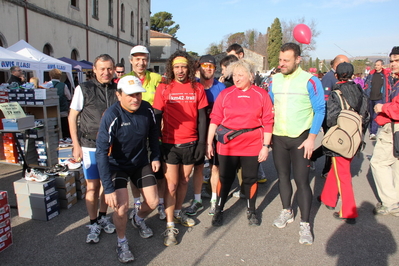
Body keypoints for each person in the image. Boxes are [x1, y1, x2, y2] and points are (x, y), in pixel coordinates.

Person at [96, 75, 160, 263]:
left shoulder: (147, 108)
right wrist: (107, 188)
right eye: (130, 95)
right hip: (117, 166)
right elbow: (101, 152)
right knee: (122, 208)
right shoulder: (111, 115)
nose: (135, 99)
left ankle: (138, 219)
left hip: (140, 163)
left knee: (154, 202)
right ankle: (122, 241)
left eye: (138, 94)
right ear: (119, 95)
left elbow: (154, 133)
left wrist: (155, 156)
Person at [268, 43, 325, 245]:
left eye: (286, 60)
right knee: (283, 176)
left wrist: (312, 138)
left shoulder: (311, 81)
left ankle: (305, 224)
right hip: (279, 137)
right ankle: (287, 211)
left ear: (298, 59)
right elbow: (270, 106)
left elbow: (320, 110)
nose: (281, 64)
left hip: (301, 138)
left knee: (302, 181)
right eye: (280, 60)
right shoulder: (274, 80)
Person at [207, 59, 273, 227]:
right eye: (234, 75)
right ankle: (219, 209)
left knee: (250, 179)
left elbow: (268, 121)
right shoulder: (226, 94)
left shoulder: (261, 94)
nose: (236, 79)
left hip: (252, 145)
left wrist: (265, 146)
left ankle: (251, 210)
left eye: (240, 75)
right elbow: (215, 120)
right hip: (228, 145)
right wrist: (209, 143)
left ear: (250, 76)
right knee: (225, 177)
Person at [152, 50, 208, 246]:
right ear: (171, 68)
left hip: (191, 143)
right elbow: (157, 116)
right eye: (176, 67)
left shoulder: (197, 87)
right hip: (170, 144)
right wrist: (155, 144)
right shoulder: (164, 87)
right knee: (172, 185)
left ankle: (177, 213)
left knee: (185, 181)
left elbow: (202, 117)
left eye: (184, 66)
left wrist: (202, 142)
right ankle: (169, 227)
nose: (180, 70)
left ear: (189, 68)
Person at [68, 54, 118, 244]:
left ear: (113, 69)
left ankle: (103, 216)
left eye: (109, 68)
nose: (106, 72)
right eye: (102, 69)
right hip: (89, 145)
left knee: (107, 185)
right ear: (94, 70)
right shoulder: (84, 88)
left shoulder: (118, 89)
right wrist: (76, 145)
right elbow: (72, 117)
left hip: (111, 147)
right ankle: (93, 222)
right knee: (92, 186)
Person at [318, 62, 369, 224]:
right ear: (353, 75)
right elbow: (366, 115)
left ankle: (349, 210)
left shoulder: (336, 93)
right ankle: (328, 197)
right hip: (356, 137)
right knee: (338, 170)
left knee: (343, 175)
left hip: (341, 138)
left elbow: (331, 118)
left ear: (336, 75)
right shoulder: (360, 91)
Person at [123, 45, 165, 221]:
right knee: (136, 170)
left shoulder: (156, 78)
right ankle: (138, 201)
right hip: (134, 130)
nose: (141, 62)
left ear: (148, 60)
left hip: (156, 129)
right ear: (131, 60)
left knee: (159, 170)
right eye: (137, 59)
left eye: (144, 59)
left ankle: (161, 202)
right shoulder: (125, 79)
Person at [185, 54, 226, 217]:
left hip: (217, 131)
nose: (207, 69)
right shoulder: (192, 86)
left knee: (216, 167)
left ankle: (214, 200)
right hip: (197, 130)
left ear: (215, 69)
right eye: (204, 65)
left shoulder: (221, 88)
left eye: (211, 66)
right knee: (198, 167)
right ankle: (197, 200)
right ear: (198, 67)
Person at [370, 46, 399, 217]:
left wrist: (383, 107)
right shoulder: (391, 78)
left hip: (392, 126)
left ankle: (390, 202)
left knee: (378, 163)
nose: (393, 64)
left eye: (397, 60)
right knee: (395, 162)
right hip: (391, 125)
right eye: (392, 61)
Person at [310, 54, 350, 178]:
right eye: (345, 64)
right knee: (331, 145)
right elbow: (324, 100)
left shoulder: (340, 77)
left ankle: (315, 158)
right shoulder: (329, 78)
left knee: (332, 144)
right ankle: (326, 169)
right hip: (330, 118)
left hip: (339, 117)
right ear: (338, 65)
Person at [364, 59, 393, 140]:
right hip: (370, 97)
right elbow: (366, 85)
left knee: (375, 116)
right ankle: (372, 130)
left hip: (380, 98)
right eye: (375, 65)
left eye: (378, 65)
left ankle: (373, 132)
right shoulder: (371, 74)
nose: (376, 66)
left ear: (382, 66)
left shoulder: (385, 76)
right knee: (370, 115)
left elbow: (390, 87)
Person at [49, 68, 71, 139]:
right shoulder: (63, 85)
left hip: (50, 111)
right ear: (60, 76)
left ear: (51, 76)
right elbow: (69, 97)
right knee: (64, 127)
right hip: (62, 110)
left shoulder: (46, 85)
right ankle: (65, 138)